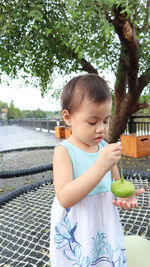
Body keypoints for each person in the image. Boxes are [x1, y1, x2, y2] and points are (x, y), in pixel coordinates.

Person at [50, 74, 144, 267]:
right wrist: (101, 166)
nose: (101, 129)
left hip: (104, 224)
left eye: (106, 120)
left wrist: (124, 196)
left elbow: (115, 183)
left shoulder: (103, 148)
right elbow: (65, 197)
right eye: (92, 122)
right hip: (78, 227)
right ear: (68, 117)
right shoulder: (64, 152)